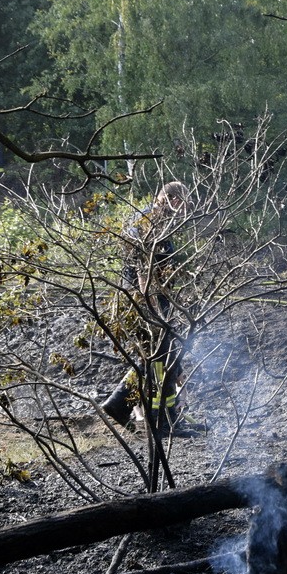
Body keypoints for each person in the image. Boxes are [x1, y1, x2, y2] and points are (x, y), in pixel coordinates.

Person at [100, 181, 190, 430]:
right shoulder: (149, 224)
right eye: (183, 203)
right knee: (161, 356)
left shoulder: (158, 221)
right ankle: (162, 420)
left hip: (155, 298)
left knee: (155, 358)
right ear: (172, 199)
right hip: (146, 300)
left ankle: (125, 406)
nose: (184, 210)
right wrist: (154, 311)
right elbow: (143, 271)